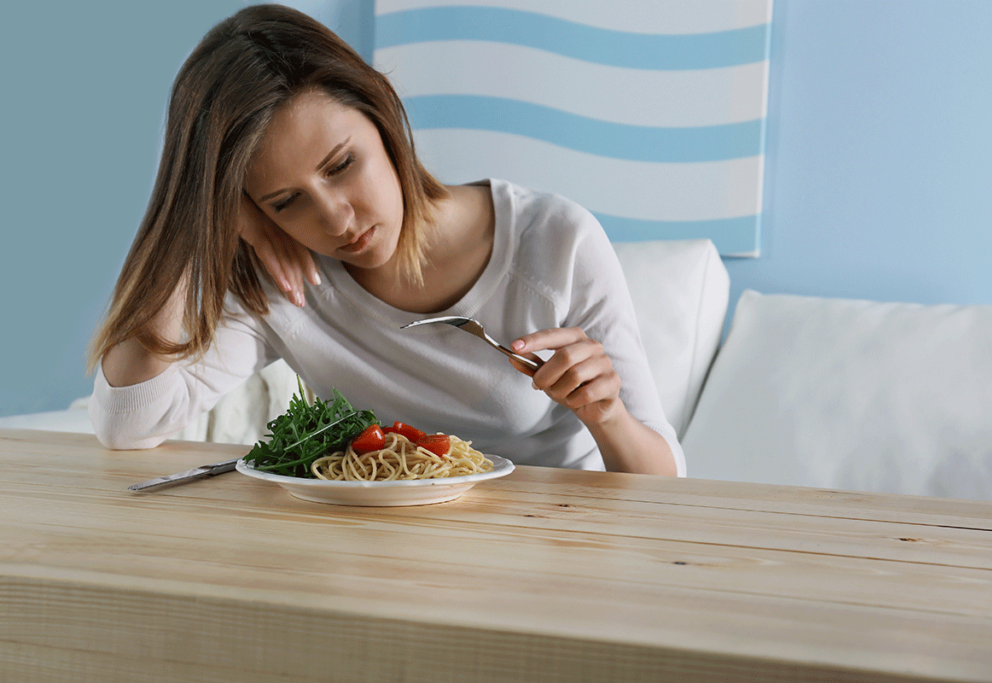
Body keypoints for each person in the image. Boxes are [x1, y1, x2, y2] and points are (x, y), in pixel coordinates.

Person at [87, 4, 683, 476]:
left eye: (342, 164)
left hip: (557, 548)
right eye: (286, 201)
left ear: (381, 114)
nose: (336, 220)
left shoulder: (554, 242)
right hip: (389, 568)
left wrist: (607, 417)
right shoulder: (285, 276)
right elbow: (127, 423)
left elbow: (664, 484)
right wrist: (202, 225)